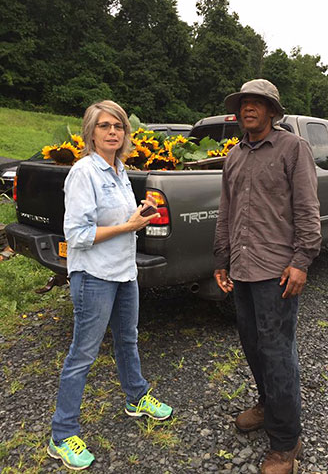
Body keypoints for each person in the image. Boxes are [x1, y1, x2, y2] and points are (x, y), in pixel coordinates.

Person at [47, 100, 172, 471]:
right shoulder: (83, 173)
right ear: (91, 132)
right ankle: (61, 434)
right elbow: (78, 234)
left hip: (124, 272)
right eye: (104, 126)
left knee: (128, 339)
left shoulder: (118, 170)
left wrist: (139, 213)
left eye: (118, 125)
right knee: (83, 354)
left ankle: (136, 397)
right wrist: (128, 226)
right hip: (94, 276)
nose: (113, 131)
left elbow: (117, 217)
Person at [213, 80, 321, 474]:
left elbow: (308, 209)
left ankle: (285, 443)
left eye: (258, 104)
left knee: (278, 354)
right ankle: (267, 404)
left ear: (273, 112)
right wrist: (221, 258)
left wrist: (302, 261)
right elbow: (226, 211)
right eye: (244, 103)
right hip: (242, 268)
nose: (249, 109)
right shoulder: (235, 155)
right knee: (253, 346)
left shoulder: (294, 149)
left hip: (278, 271)